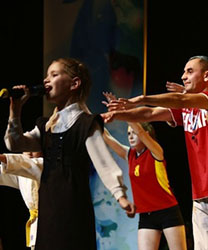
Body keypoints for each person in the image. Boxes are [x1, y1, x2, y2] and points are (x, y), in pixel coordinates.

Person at [102, 55, 208, 250]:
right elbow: (150, 114)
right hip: (200, 195)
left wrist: (141, 98)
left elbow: (178, 99)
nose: (183, 77)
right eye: (184, 72)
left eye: (189, 71)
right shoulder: (187, 108)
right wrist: (116, 115)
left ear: (207, 74)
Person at [4, 57, 135, 250]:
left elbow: (103, 161)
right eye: (47, 75)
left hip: (73, 204)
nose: (46, 80)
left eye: (54, 75)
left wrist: (120, 195)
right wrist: (15, 111)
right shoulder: (45, 126)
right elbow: (14, 143)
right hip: (48, 207)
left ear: (74, 84)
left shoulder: (85, 123)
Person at [102, 92, 187, 250]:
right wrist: (92, 121)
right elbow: (108, 139)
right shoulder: (131, 155)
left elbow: (140, 131)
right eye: (128, 134)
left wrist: (123, 111)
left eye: (133, 133)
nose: (131, 136)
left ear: (146, 134)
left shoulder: (156, 151)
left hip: (168, 211)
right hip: (147, 215)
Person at [0, 152, 43, 250]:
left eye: (33, 147)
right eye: (25, 148)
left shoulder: (50, 166)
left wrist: (2, 157)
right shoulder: (22, 169)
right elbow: (5, 173)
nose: (29, 151)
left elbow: (30, 165)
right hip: (36, 227)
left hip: (54, 223)